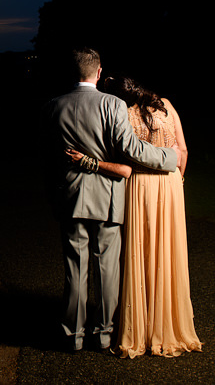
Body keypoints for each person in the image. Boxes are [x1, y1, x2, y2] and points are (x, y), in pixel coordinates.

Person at [40, 49, 181, 352]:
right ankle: (104, 334)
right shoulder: (112, 104)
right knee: (107, 270)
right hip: (106, 197)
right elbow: (132, 149)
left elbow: (47, 160)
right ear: (99, 72)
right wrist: (169, 157)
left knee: (74, 270)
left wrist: (55, 194)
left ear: (72, 72)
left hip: (70, 198)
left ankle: (72, 336)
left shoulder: (53, 106)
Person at [66, 75, 202, 358]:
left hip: (140, 186)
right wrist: (179, 183)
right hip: (171, 184)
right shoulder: (165, 105)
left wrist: (90, 162)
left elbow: (125, 166)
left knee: (140, 254)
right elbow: (183, 150)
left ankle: (139, 324)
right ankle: (170, 323)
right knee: (168, 253)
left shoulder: (121, 113)